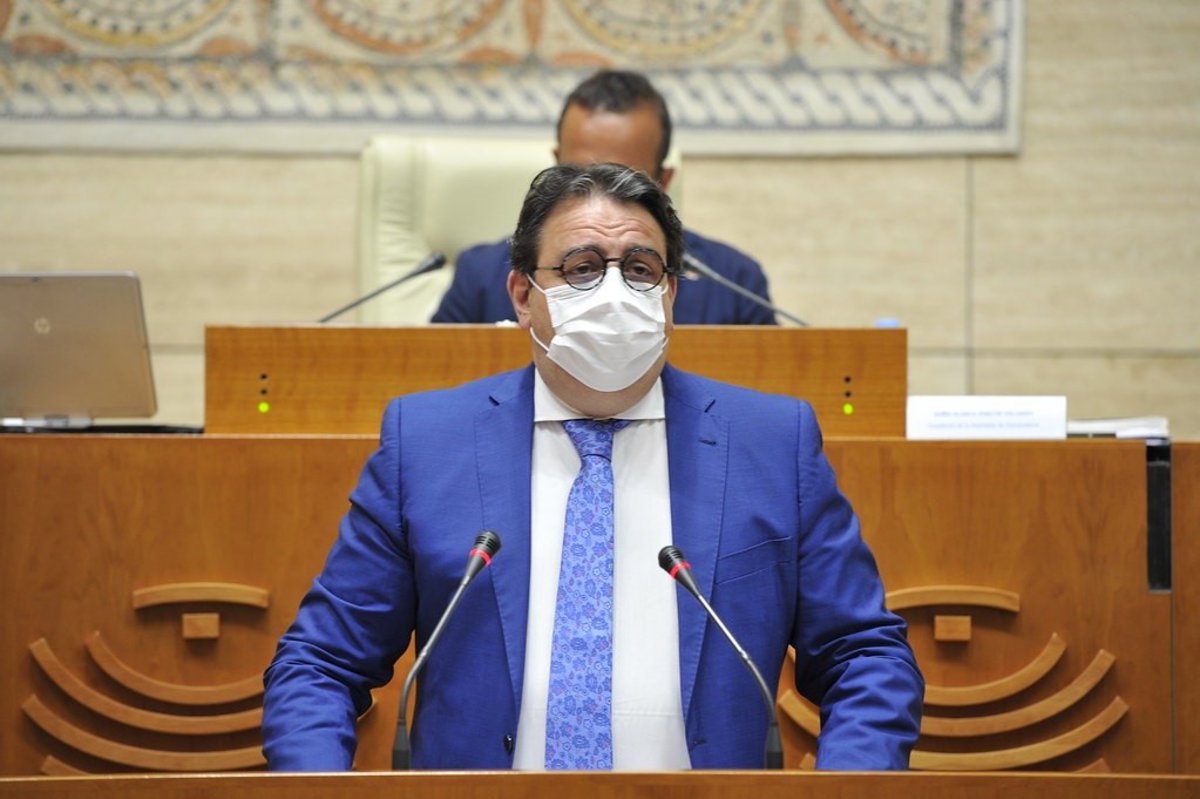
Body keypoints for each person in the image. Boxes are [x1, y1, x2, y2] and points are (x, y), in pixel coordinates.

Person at [263, 163, 922, 771]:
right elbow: (320, 662)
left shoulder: (771, 444)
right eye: (581, 268)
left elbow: (865, 656)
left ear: (669, 293)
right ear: (522, 295)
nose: (613, 291)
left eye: (639, 269)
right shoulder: (428, 444)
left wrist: (847, 789)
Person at [430, 69, 777, 325]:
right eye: (580, 175)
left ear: (664, 181)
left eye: (623, 180)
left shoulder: (733, 281)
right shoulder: (483, 275)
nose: (600, 194)